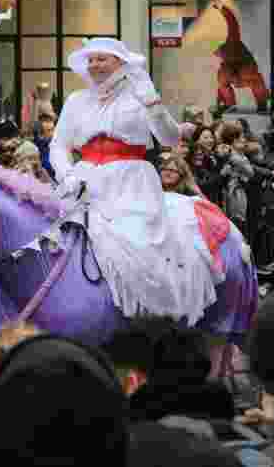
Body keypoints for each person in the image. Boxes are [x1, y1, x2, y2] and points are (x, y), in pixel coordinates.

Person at [49, 38, 199, 320]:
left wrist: (152, 102)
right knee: (54, 238)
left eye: (101, 59)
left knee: (137, 243)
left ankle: (152, 313)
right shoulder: (76, 100)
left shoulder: (139, 95)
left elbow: (168, 138)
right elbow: (58, 145)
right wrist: (66, 174)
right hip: (83, 179)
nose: (94, 65)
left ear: (121, 62)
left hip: (130, 180)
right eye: (90, 60)